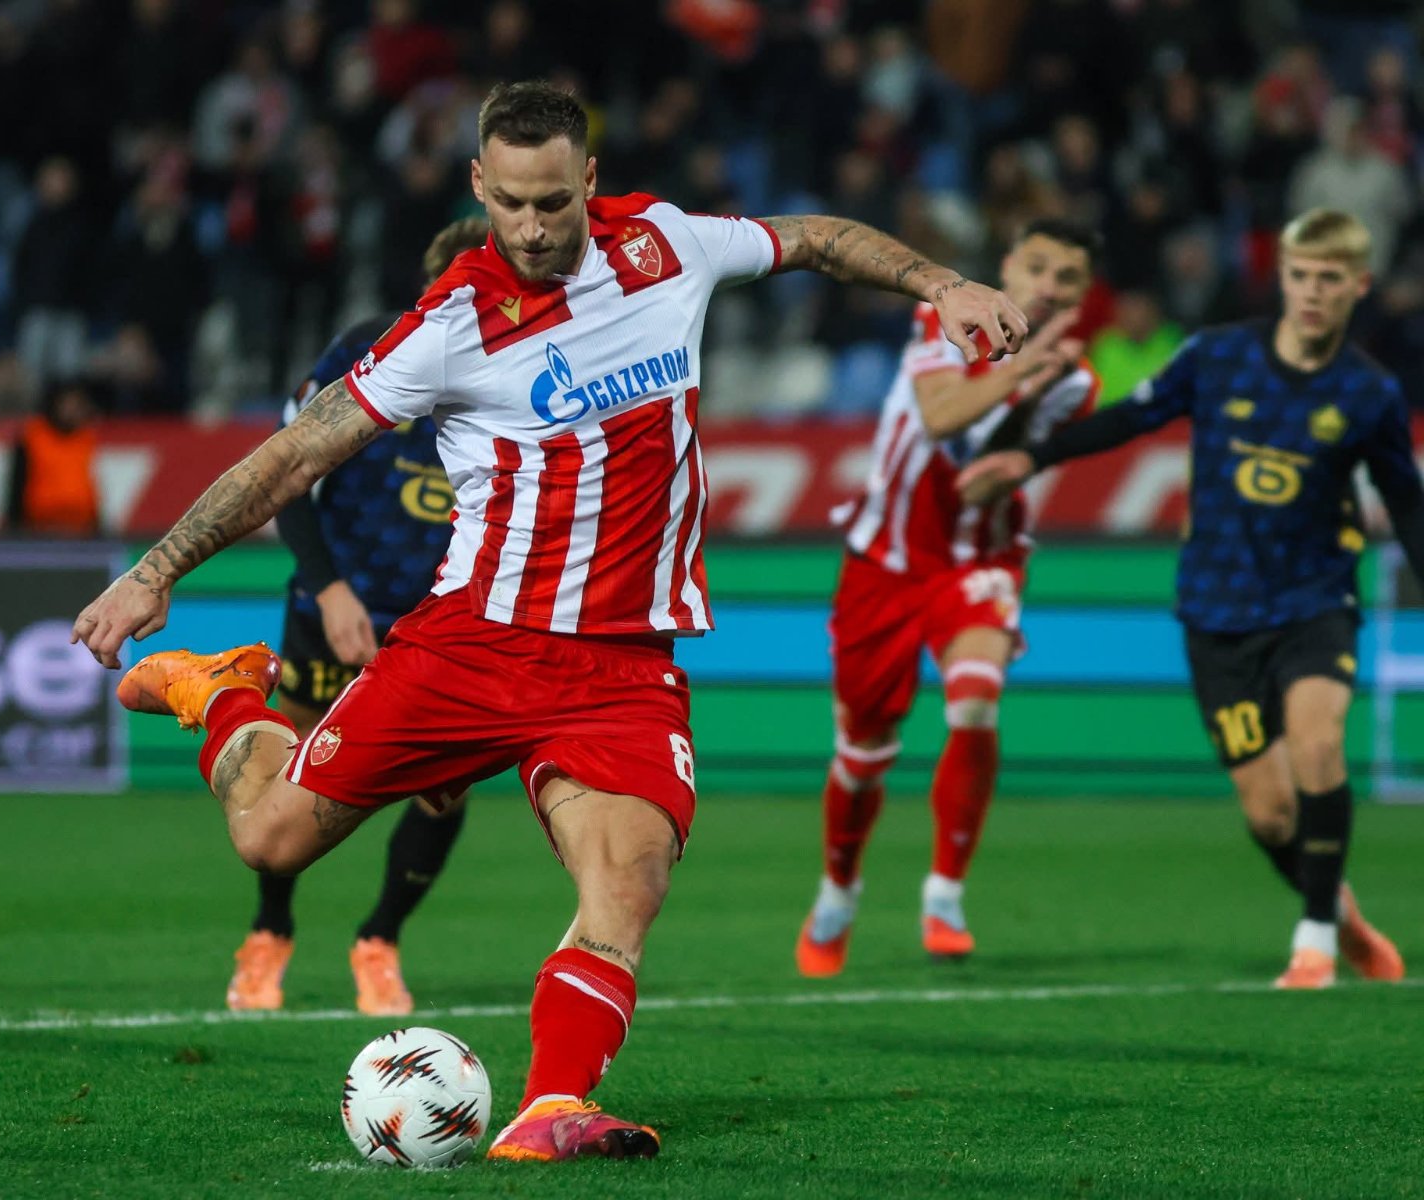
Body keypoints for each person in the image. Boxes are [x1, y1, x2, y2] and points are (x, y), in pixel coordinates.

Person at [72, 81, 1026, 1162]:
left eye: (553, 204)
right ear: (480, 185)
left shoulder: (665, 245)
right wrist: (155, 571)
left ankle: (549, 1106)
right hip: (473, 646)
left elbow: (811, 238)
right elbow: (294, 455)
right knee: (270, 838)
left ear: (588, 181)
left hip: (621, 666)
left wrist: (943, 284)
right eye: (511, 204)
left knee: (628, 880)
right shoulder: (451, 324)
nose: (530, 229)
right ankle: (219, 691)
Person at [959, 208, 1415, 990]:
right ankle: (1340, 915)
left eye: (1330, 279)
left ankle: (1312, 941)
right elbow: (1132, 418)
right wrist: (1033, 458)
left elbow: (1406, 503)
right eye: (1301, 276)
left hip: (1315, 601)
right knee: (1269, 814)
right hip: (1217, 609)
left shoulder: (1369, 393)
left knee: (1318, 746)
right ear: (1282, 277)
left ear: (1359, 285)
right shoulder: (1219, 356)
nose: (1313, 292)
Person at [795, 218, 1100, 977]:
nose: (1048, 288)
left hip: (978, 557)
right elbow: (938, 416)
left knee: (975, 700)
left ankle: (945, 894)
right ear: (1009, 266)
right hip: (883, 561)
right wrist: (1022, 372)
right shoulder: (943, 316)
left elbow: (984, 478)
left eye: (1066, 278)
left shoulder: (1076, 384)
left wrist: (1035, 390)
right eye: (1037, 267)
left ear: (1082, 295)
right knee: (864, 752)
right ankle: (838, 891)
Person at [228, 215, 490, 1017]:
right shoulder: (369, 350)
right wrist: (329, 587)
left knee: (445, 789)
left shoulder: (521, 367)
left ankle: (379, 941)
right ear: (430, 289)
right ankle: (269, 933)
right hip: (333, 605)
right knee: (291, 774)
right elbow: (284, 472)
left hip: (440, 626)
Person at [6, 379, 100, 536]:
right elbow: (18, 482)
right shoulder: (32, 436)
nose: (72, 410)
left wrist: (97, 522)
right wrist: (15, 524)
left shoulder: (86, 438)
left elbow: (91, 484)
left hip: (82, 529)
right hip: (39, 528)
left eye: (77, 404)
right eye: (67, 403)